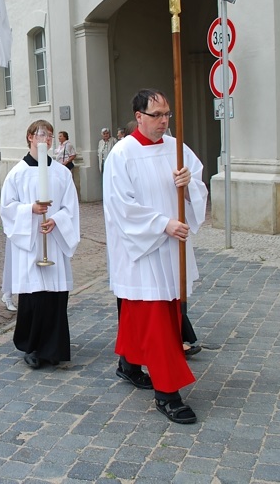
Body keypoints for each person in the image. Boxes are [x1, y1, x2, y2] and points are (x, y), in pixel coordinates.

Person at [103, 89, 208, 425]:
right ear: (139, 117)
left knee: (151, 313)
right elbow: (121, 206)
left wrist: (188, 184)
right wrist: (163, 224)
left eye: (167, 114)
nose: (164, 121)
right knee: (157, 319)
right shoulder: (122, 154)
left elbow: (198, 186)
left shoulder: (177, 148)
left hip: (171, 246)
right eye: (157, 115)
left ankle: (129, 364)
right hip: (142, 250)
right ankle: (167, 393)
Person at [1, 120, 80, 369]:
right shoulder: (17, 173)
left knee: (55, 297)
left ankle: (53, 348)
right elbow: (7, 209)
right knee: (34, 297)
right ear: (30, 137)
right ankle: (32, 346)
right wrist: (30, 210)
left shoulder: (61, 173)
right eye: (41, 134)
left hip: (54, 241)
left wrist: (57, 220)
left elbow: (71, 207)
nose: (46, 139)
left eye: (49, 135)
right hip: (31, 244)